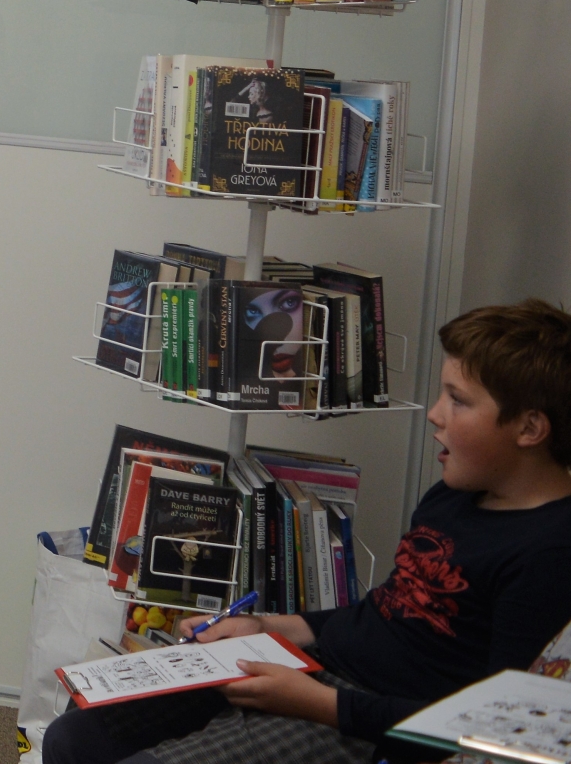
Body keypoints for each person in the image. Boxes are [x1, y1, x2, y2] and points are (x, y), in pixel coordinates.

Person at [42, 298, 571, 764]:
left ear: (529, 428)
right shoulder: (456, 494)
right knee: (75, 738)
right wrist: (273, 626)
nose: (435, 414)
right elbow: (384, 615)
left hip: (363, 721)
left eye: (458, 399)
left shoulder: (549, 553)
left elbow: (488, 731)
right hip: (314, 671)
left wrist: (324, 705)